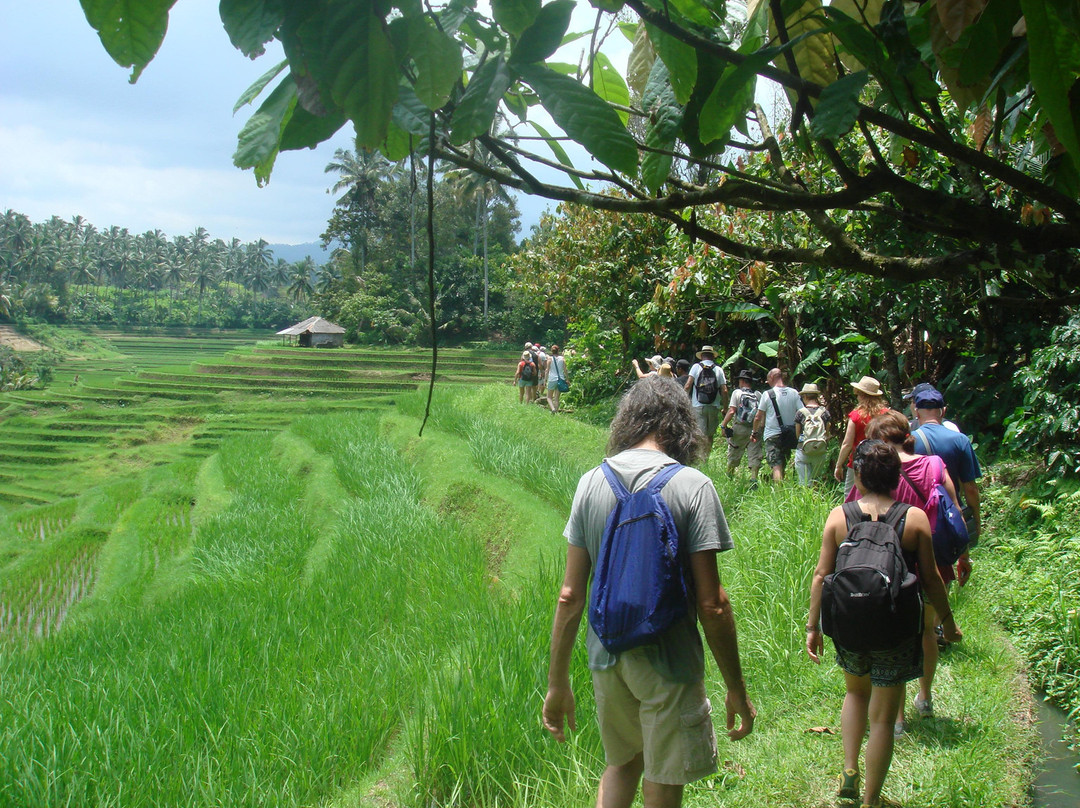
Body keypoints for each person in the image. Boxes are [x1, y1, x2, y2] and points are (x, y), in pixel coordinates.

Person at [543, 376, 755, 808]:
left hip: (607, 655)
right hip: (669, 661)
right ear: (681, 425)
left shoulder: (590, 482)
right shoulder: (693, 486)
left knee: (622, 764)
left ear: (627, 421)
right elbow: (712, 604)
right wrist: (736, 686)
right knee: (663, 775)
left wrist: (558, 681)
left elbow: (570, 595)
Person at [807, 440, 961, 808]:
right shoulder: (914, 519)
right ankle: (872, 800)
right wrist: (948, 623)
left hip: (848, 624)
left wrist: (813, 627)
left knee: (855, 693)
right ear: (896, 476)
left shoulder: (839, 516)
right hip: (895, 628)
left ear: (858, 475)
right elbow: (931, 580)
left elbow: (821, 575)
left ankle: (849, 770)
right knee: (882, 719)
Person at [861, 411, 971, 735]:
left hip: (891, 567)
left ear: (879, 440)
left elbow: (858, 513)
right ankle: (924, 697)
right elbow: (954, 509)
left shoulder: (876, 472)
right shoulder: (935, 466)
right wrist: (963, 554)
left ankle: (897, 719)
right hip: (935, 561)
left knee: (897, 638)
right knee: (926, 632)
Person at [911, 385, 982, 546]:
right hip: (951, 515)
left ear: (916, 412)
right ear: (943, 411)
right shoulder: (960, 440)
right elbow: (970, 487)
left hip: (917, 516)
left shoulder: (907, 441)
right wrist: (976, 520)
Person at [834, 376, 889, 495]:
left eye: (858, 395)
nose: (857, 397)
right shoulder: (886, 415)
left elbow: (847, 444)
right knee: (878, 495)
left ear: (862, 395)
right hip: (880, 462)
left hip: (857, 463)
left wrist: (838, 465)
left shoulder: (856, 416)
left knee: (850, 497)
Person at [752, 368, 801, 482]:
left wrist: (754, 432)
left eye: (768, 380)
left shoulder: (768, 394)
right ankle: (782, 487)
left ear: (772, 377)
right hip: (789, 435)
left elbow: (758, 416)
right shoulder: (794, 393)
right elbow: (802, 412)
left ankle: (778, 494)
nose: (768, 382)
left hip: (772, 435)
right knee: (782, 463)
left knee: (776, 466)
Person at [685, 346, 728, 460]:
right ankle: (706, 459)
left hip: (698, 406)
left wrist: (683, 402)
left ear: (702, 356)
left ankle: (700, 459)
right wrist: (725, 408)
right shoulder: (718, 369)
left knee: (700, 435)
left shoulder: (696, 367)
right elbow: (724, 390)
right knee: (709, 435)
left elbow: (688, 385)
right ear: (713, 356)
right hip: (714, 406)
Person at [720, 369, 762, 481]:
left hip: (740, 428)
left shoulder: (737, 393)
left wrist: (723, 425)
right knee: (755, 452)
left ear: (742, 381)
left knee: (734, 451)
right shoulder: (758, 395)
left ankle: (730, 475)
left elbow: (732, 411)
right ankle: (754, 478)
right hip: (754, 428)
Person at [794, 383, 831, 485]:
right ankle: (816, 499)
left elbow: (797, 435)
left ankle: (807, 500)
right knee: (816, 480)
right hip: (820, 451)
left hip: (803, 450)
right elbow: (827, 434)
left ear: (805, 396)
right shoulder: (824, 412)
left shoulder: (800, 413)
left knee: (804, 482)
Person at [546, 344, 568, 414]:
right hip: (560, 379)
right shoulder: (562, 359)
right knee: (557, 398)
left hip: (552, 379)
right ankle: (556, 410)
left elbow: (547, 370)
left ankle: (552, 409)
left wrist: (545, 380)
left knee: (549, 397)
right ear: (558, 350)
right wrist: (567, 379)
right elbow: (565, 370)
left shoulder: (550, 359)